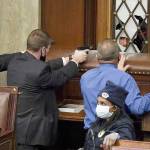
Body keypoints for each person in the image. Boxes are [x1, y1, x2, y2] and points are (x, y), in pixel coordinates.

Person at [0, 29, 87, 150]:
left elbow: (42, 67)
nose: (49, 51)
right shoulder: (39, 70)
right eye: (49, 48)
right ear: (43, 49)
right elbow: (59, 78)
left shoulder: (14, 62)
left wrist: (66, 59)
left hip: (19, 130)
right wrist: (75, 61)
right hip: (35, 134)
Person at [80, 39, 150, 129]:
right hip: (115, 135)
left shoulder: (85, 77)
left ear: (97, 56)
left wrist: (118, 74)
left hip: (91, 134)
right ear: (119, 57)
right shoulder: (124, 78)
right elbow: (137, 108)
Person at [84, 81, 135, 150]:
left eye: (103, 103)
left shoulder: (124, 124)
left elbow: (125, 137)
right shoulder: (100, 120)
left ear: (114, 108)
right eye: (98, 103)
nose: (99, 106)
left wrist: (117, 136)